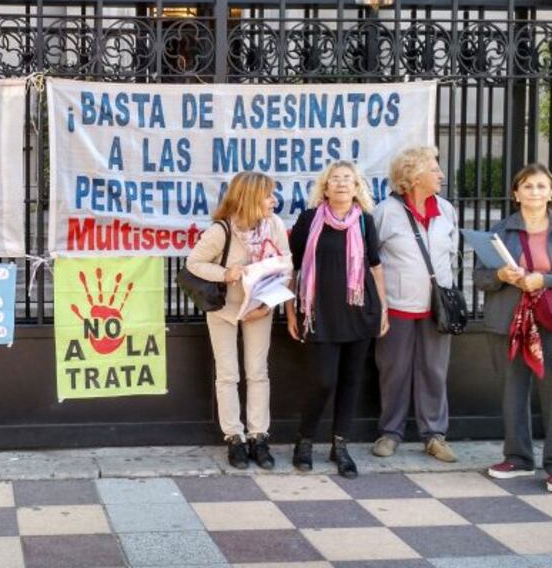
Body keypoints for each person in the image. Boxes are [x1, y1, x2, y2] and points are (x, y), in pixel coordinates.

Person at [288, 160, 388, 478]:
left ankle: (340, 446)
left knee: (350, 381)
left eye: (348, 178)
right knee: (323, 380)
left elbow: (375, 266)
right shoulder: (309, 220)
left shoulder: (364, 222)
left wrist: (383, 309)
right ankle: (304, 441)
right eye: (335, 179)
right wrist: (291, 310)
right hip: (319, 315)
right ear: (325, 187)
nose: (342, 183)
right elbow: (292, 268)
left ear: (357, 187)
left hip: (359, 313)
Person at [186, 171, 291, 470]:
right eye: (268, 195)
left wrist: (268, 305)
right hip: (224, 309)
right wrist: (225, 273)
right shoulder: (222, 230)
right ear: (249, 197)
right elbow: (193, 263)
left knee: (258, 372)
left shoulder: (274, 225)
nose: (274, 200)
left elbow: (287, 266)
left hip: (259, 307)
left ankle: (259, 435)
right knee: (228, 373)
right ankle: (234, 437)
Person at [371, 146, 459, 462]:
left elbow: (452, 255)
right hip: (396, 306)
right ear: (414, 175)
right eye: (435, 169)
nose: (441, 175)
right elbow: (372, 259)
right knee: (393, 371)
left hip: (437, 308)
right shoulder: (385, 211)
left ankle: (434, 435)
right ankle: (390, 433)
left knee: (434, 370)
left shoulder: (447, 210)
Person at [473, 163, 552, 492]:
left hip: (548, 320)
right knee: (513, 391)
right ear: (515, 194)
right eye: (528, 186)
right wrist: (500, 276)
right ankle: (518, 458)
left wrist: (543, 279)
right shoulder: (499, 232)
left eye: (541, 186)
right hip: (508, 321)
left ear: (550, 193)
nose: (535, 192)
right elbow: (479, 277)